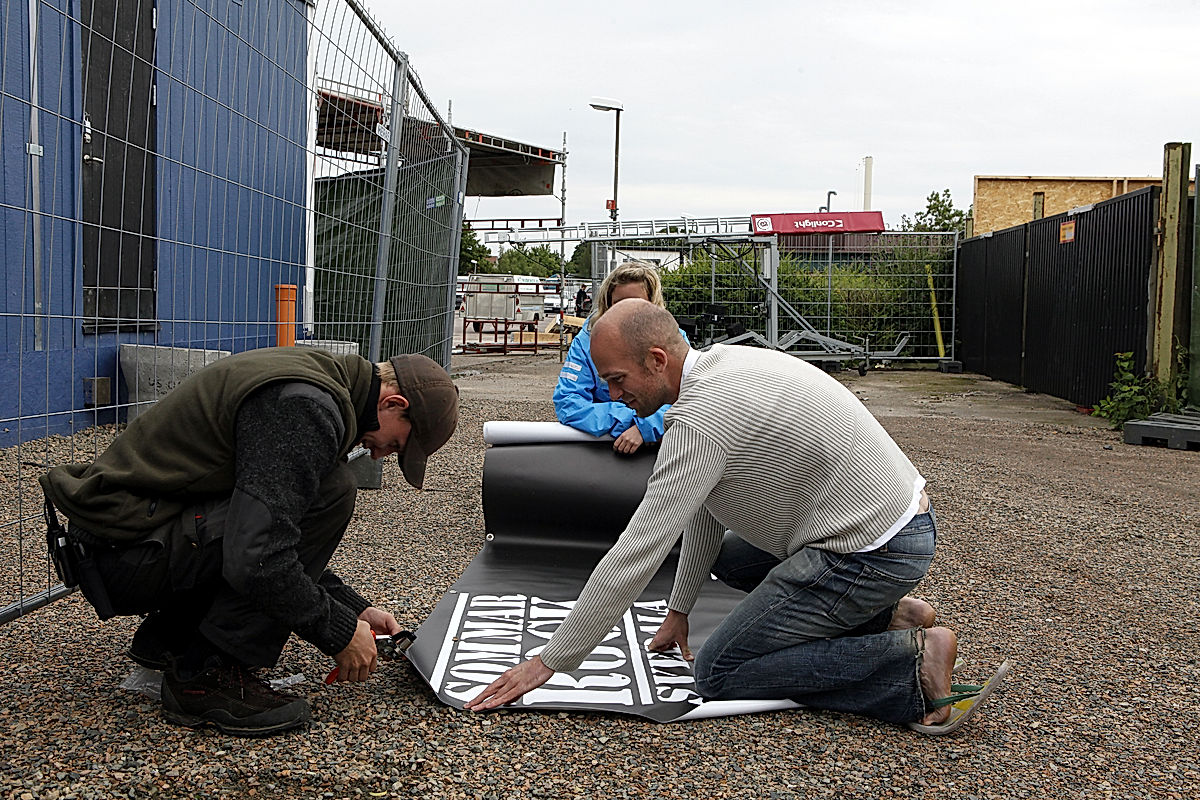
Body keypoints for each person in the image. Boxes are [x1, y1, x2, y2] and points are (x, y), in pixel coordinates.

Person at [467, 299, 1008, 734]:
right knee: (729, 559)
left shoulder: (700, 421)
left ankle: (907, 664)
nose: (612, 394)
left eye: (615, 378)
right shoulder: (719, 367)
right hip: (890, 524)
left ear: (656, 360)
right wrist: (678, 611)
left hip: (870, 551)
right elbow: (703, 507)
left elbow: (638, 548)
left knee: (719, 671)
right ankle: (890, 616)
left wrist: (551, 661)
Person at [40, 347, 458, 736]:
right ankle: (205, 678)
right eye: (397, 445)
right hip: (123, 557)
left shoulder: (316, 380)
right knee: (333, 492)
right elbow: (258, 554)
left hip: (126, 542)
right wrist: (339, 632)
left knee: (319, 493)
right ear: (393, 404)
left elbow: (268, 527)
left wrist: (355, 607)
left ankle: (172, 639)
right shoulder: (304, 408)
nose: (382, 455)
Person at [554, 262, 683, 454]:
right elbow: (568, 400)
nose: (627, 312)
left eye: (637, 304)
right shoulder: (587, 341)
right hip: (608, 448)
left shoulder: (673, 338)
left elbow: (689, 396)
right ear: (607, 303)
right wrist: (630, 421)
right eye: (619, 304)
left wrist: (648, 426)